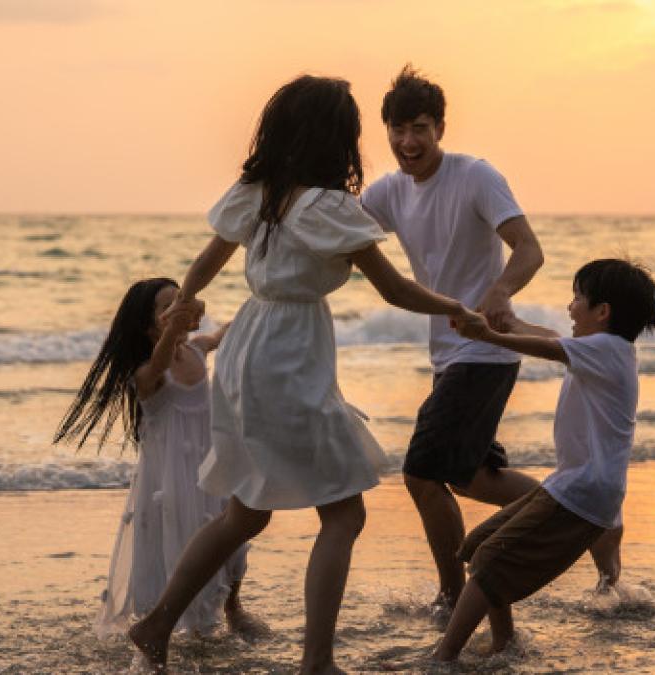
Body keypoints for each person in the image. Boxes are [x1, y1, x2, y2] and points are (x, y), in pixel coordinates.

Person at [126, 75, 477, 674]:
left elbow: (211, 256)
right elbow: (393, 288)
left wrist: (185, 299)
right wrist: (455, 307)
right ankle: (315, 661)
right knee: (344, 513)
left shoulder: (260, 191)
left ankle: (156, 625)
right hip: (289, 354)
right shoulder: (329, 207)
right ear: (338, 138)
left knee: (245, 512)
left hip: (248, 348)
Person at [359, 64, 549, 616]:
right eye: (397, 130)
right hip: (447, 355)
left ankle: (451, 593)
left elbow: (528, 249)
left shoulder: (475, 177)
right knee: (471, 477)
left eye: (419, 128)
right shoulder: (390, 191)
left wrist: (499, 294)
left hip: (485, 349)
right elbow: (338, 233)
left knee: (421, 472)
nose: (408, 142)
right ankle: (580, 512)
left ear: (440, 127)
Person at [433, 258, 655, 662]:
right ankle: (505, 645)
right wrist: (504, 322)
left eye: (578, 298)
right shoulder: (605, 350)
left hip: (583, 493)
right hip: (572, 485)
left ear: (602, 312)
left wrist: (489, 335)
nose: (570, 306)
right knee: (478, 546)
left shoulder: (607, 350)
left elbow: (548, 347)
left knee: (488, 561)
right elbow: (549, 335)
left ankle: (443, 656)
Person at [53, 278, 266, 639]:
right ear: (147, 324)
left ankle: (233, 608)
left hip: (212, 462)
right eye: (168, 307)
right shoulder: (146, 374)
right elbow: (162, 357)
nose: (180, 310)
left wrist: (261, 304)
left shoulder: (197, 350)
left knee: (233, 538)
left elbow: (221, 336)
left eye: (182, 300)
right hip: (172, 479)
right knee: (183, 543)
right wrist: (176, 325)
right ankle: (176, 624)